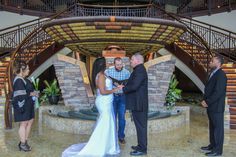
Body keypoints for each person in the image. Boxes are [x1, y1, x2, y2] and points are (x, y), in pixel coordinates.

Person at [62, 57, 123, 157]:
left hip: (105, 102)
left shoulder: (102, 74)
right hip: (104, 102)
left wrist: (115, 85)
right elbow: (103, 92)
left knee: (106, 123)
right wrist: (115, 90)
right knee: (105, 123)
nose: (107, 64)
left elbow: (105, 87)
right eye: (106, 63)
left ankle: (107, 145)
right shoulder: (101, 76)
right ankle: (101, 146)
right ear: (102, 65)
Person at [201, 55, 227, 156]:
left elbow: (218, 92)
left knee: (218, 129)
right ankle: (212, 145)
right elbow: (209, 89)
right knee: (212, 127)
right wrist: (204, 100)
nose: (210, 62)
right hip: (211, 106)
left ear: (218, 63)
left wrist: (207, 102)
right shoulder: (212, 73)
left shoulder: (221, 75)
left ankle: (218, 151)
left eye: (212, 61)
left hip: (216, 107)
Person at [122, 53, 148, 156]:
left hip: (139, 104)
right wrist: (124, 86)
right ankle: (140, 145)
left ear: (137, 60)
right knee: (139, 126)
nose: (130, 62)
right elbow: (132, 84)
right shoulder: (138, 70)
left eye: (132, 60)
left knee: (141, 127)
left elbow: (134, 86)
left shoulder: (140, 70)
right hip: (137, 104)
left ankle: (142, 149)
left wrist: (123, 89)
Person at [12, 60, 38, 152]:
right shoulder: (18, 80)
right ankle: (23, 144)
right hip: (22, 106)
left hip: (28, 105)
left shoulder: (24, 79)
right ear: (21, 70)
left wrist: (34, 93)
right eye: (27, 69)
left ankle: (24, 141)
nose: (29, 70)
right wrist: (32, 93)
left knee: (30, 122)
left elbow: (28, 90)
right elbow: (20, 95)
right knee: (23, 124)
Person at [105, 57, 130, 144]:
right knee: (113, 117)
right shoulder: (109, 71)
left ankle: (121, 137)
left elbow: (129, 84)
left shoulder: (127, 72)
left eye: (120, 64)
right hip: (113, 97)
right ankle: (112, 136)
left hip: (122, 97)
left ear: (122, 63)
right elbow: (103, 76)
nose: (119, 66)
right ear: (114, 64)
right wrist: (114, 83)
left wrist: (123, 86)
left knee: (122, 118)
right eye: (117, 64)